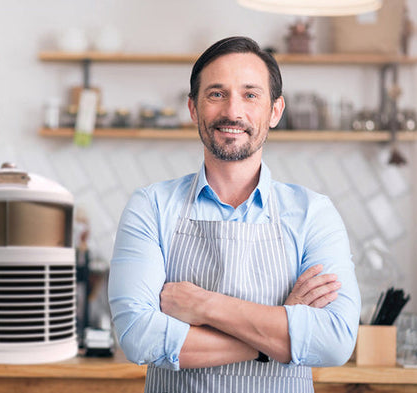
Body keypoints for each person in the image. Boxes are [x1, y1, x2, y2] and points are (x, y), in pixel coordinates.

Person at [108, 36, 361, 392]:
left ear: (275, 111)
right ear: (193, 109)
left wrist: (204, 305)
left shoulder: (312, 214)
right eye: (216, 94)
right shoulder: (151, 206)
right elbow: (138, 337)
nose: (233, 112)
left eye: (250, 94)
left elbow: (335, 341)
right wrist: (277, 334)